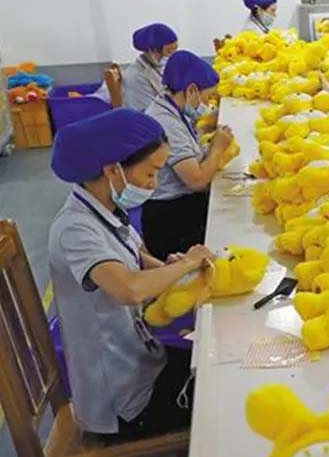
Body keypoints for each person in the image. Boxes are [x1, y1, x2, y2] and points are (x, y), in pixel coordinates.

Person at [48, 108, 215, 444]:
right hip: (125, 402)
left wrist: (170, 266)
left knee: (216, 363)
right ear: (113, 170)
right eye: (151, 174)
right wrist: (183, 266)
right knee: (224, 408)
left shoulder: (105, 207)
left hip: (144, 361)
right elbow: (129, 289)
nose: (154, 184)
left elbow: (136, 258)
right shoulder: (75, 230)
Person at [143, 50, 233, 260]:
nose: (208, 104)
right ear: (191, 90)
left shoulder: (171, 109)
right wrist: (217, 148)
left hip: (180, 207)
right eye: (207, 97)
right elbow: (197, 181)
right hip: (172, 219)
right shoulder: (166, 122)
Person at [123, 23, 179, 111]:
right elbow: (149, 114)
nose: (172, 55)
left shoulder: (159, 68)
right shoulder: (137, 77)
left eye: (175, 49)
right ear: (152, 50)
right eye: (169, 51)